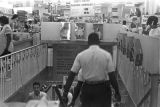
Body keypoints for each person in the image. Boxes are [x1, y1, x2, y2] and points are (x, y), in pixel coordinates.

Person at [62, 32, 121, 107]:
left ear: (88, 42)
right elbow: (112, 76)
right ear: (99, 42)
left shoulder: (80, 55)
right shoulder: (107, 55)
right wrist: (117, 92)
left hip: (87, 89)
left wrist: (65, 93)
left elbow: (71, 75)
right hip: (103, 89)